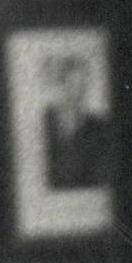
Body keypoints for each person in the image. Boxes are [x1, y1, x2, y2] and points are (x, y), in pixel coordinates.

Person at [43, 47, 112, 195]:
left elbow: (99, 181)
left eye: (82, 86)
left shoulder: (99, 127)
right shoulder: (45, 123)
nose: (77, 94)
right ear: (61, 86)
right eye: (71, 85)